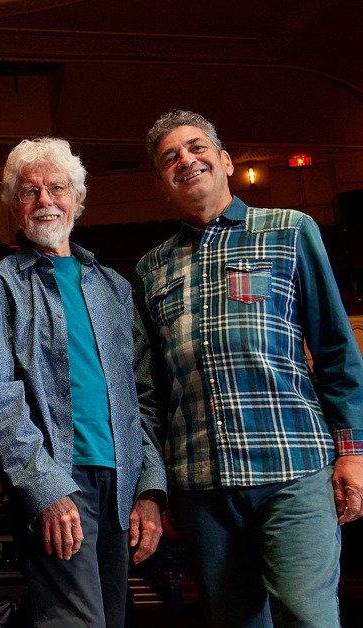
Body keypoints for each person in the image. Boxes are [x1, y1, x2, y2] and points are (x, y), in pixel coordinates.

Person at [135, 109, 363, 627]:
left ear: (225, 161)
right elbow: (156, 391)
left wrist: (352, 452)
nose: (185, 160)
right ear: (161, 184)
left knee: (308, 616)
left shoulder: (290, 230)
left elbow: (334, 349)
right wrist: (162, 485)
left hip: (293, 467)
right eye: (170, 158)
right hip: (201, 484)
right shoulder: (151, 268)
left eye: (197, 148)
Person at [0, 137, 167, 627]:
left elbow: (142, 396)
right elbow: (0, 396)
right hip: (58, 478)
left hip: (121, 483)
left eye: (57, 188)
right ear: (14, 205)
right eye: (30, 191)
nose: (45, 201)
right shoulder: (0, 282)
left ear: (77, 198)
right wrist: (46, 490)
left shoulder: (113, 286)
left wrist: (150, 488)